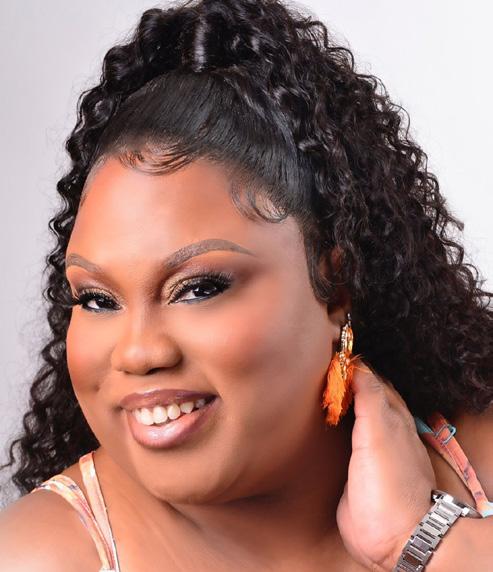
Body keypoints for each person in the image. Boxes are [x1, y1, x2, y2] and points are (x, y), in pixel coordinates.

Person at [0, 0, 492, 570]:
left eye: (198, 288)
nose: (137, 353)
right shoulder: (42, 556)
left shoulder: (472, 451)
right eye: (97, 299)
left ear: (335, 285)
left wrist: (420, 540)